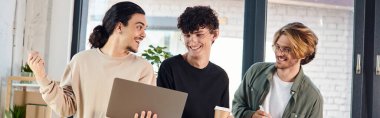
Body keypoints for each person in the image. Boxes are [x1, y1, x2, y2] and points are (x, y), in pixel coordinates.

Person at [28, 1, 157, 118]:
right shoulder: (81, 61)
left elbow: (146, 112)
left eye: (145, 29)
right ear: (119, 27)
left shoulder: (143, 69)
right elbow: (66, 108)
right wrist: (41, 76)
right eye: (139, 27)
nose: (144, 34)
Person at [232, 22, 323, 118]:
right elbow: (237, 106)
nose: (279, 53)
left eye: (287, 49)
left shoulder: (313, 97)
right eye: (278, 47)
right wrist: (251, 115)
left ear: (303, 54)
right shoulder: (255, 71)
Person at [157, 6, 229, 118]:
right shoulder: (170, 68)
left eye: (199, 34)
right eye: (187, 35)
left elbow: (222, 115)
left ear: (214, 35)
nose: (192, 41)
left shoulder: (221, 77)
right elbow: (163, 114)